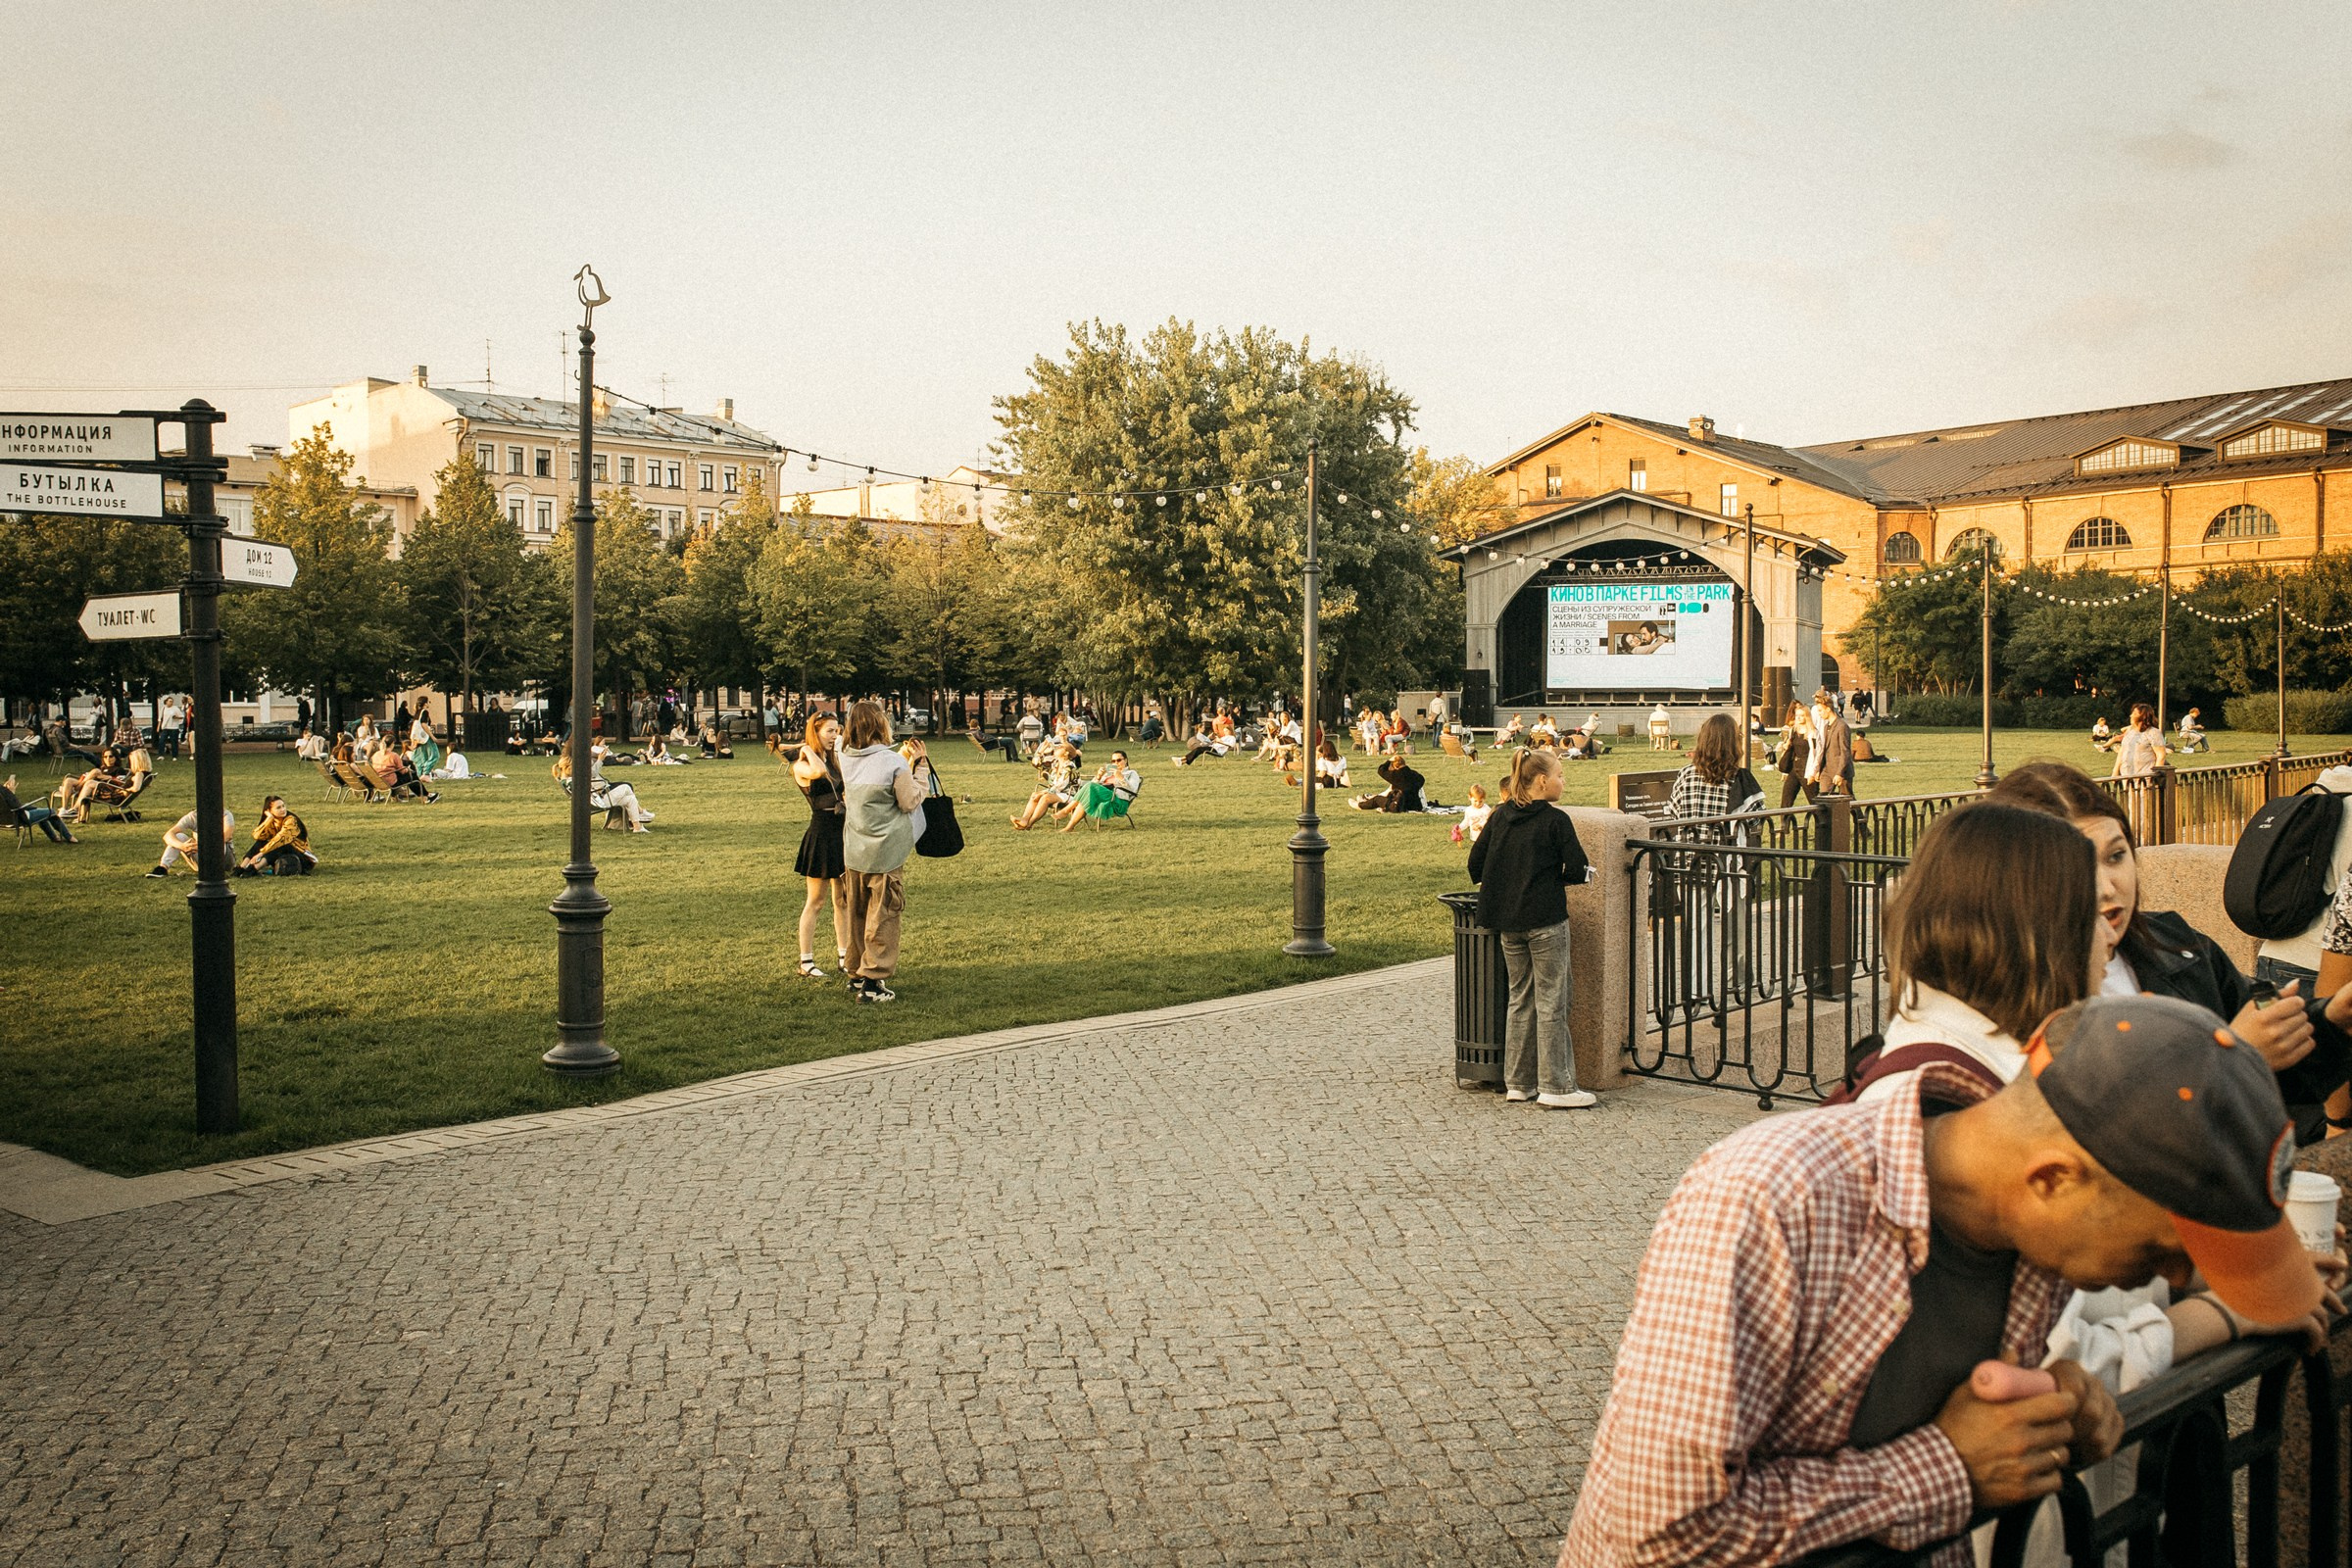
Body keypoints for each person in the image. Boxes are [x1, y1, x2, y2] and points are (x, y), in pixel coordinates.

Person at [1559, 988, 2333, 1568]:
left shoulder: (2031, 1236)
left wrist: (2064, 1410)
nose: (2175, 1276)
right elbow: (1657, 1531)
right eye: (2166, 1250)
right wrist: (1949, 1467)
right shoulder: (1771, 1198)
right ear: (2054, 1180)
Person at [1986, 760, 2352, 1144]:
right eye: (2075, 865)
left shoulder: (2176, 944)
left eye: (2116, 856)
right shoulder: (1998, 988)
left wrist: (2332, 1022)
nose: (2107, 886)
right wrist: (2235, 1058)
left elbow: (2282, 1062)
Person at [1467, 747, 1596, 1109]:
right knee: (1553, 999)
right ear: (1542, 781)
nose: (1562, 781)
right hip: (1545, 920)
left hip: (1508, 923)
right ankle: (1557, 1085)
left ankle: (1518, 1082)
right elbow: (1577, 868)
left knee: (1519, 999)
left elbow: (1476, 863)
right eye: (1559, 776)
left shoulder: (1499, 816)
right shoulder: (1556, 821)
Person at [838, 701, 924, 1004]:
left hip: (854, 848)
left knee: (857, 913)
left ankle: (856, 971)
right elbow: (909, 801)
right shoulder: (892, 763)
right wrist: (920, 768)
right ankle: (874, 981)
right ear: (881, 724)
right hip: (885, 850)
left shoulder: (844, 757)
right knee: (884, 914)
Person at [790, 713, 849, 980]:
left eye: (836, 731)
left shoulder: (835, 760)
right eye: (829, 731)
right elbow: (817, 772)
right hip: (821, 835)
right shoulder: (801, 765)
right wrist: (805, 748)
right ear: (816, 732)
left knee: (843, 901)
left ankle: (845, 956)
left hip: (843, 833)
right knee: (816, 901)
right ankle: (806, 961)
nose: (834, 736)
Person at [1667, 713, 1766, 834]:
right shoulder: (1739, 777)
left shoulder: (1686, 774)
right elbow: (1755, 818)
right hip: (1725, 850)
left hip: (1690, 848)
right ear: (1734, 743)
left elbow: (1674, 811)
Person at [555, 744, 652, 831]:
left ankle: (636, 826)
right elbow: (592, 776)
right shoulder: (572, 781)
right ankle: (640, 814)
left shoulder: (566, 780)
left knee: (630, 799)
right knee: (626, 787)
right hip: (598, 802)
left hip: (592, 801)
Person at [1057, 750, 1141, 831]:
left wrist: (1121, 777)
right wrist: (1098, 776)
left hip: (1117, 800)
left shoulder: (1131, 773)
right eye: (1113, 761)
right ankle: (1069, 827)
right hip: (1103, 796)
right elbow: (1092, 786)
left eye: (1119, 760)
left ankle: (1066, 810)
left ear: (1125, 760)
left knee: (1089, 786)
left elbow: (1133, 790)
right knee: (1085, 799)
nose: (1116, 763)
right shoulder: (1108, 774)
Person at [234, 795, 315, 876]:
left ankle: (253, 869)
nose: (283, 809)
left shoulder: (291, 820)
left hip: (302, 859)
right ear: (269, 810)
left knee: (281, 844)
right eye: (278, 808)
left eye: (283, 806)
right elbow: (257, 835)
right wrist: (268, 819)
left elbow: (281, 838)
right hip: (282, 856)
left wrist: (261, 854)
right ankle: (242, 868)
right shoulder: (272, 821)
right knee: (261, 842)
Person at [1012, 741, 1083, 830]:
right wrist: (1041, 750)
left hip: (1070, 794)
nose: (1057, 748)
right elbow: (1036, 764)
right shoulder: (1055, 762)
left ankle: (1029, 824)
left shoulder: (1070, 766)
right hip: (1057, 792)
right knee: (1035, 795)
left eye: (1061, 747)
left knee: (1045, 798)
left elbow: (1061, 785)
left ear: (1066, 753)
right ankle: (1024, 820)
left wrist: (1044, 792)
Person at [146, 808, 233, 877]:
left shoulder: (225, 814)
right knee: (178, 836)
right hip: (201, 857)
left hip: (223, 859)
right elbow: (168, 835)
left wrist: (203, 846)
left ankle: (215, 871)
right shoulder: (194, 816)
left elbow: (227, 835)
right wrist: (183, 846)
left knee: (219, 840)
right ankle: (162, 868)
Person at [0, 773, 75, 843]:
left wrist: (7, 792)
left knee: (38, 811)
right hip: (20, 818)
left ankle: (54, 837)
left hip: (4, 820)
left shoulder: (2, 791)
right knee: (51, 812)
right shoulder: (2, 791)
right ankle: (69, 837)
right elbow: (15, 806)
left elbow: (6, 806)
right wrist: (11, 792)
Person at [1810, 687, 1855, 797]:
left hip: (1841, 771)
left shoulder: (1842, 726)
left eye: (1820, 710)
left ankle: (1859, 815)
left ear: (1828, 709)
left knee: (1848, 801)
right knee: (1824, 799)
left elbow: (1845, 752)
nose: (1819, 714)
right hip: (1827, 770)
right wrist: (1819, 770)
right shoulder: (1826, 726)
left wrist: (1839, 773)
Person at [1775, 702, 1817, 808]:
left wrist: (1815, 772)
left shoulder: (1812, 732)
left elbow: (1816, 753)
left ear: (1807, 716)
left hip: (1807, 766)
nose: (1798, 718)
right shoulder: (1793, 730)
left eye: (1802, 715)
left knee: (1813, 799)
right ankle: (1784, 823)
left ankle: (1822, 822)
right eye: (1797, 715)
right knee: (1786, 800)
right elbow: (1789, 750)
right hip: (1795, 766)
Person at [1352, 755, 1426, 813]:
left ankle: (1360, 805)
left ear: (1395, 767)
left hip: (1399, 806)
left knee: (1377, 800)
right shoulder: (1415, 775)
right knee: (1392, 790)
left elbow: (1381, 770)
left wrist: (1388, 761)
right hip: (1415, 805)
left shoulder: (1396, 775)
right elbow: (1422, 780)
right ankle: (1366, 800)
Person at [2111, 702, 2167, 778]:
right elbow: (2122, 751)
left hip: (2146, 776)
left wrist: (2156, 774)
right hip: (2126, 774)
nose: (2131, 716)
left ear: (2143, 716)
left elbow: (2161, 755)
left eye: (2134, 713)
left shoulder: (2153, 732)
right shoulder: (2130, 730)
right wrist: (2115, 771)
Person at [1450, 782, 1493, 846]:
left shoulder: (1486, 809)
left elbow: (1490, 822)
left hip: (1485, 837)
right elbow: (1466, 821)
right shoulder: (1469, 810)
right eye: (1475, 801)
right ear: (1470, 797)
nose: (1478, 803)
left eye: (1480, 801)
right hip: (1474, 837)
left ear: (1484, 799)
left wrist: (1481, 825)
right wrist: (1460, 828)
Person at [157, 692, 185, 760]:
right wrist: (158, 727)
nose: (171, 703)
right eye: (169, 701)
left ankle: (174, 756)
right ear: (166, 702)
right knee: (162, 741)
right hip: (165, 727)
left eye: (172, 701)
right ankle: (161, 755)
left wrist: (176, 717)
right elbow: (160, 718)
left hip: (174, 727)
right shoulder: (163, 708)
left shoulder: (175, 708)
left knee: (174, 742)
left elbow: (181, 716)